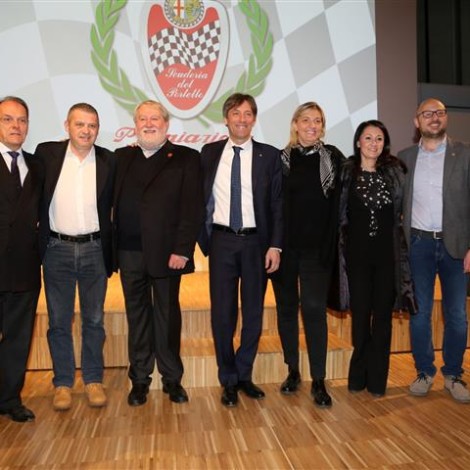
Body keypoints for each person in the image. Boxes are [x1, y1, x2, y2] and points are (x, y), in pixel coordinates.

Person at [113, 100, 203, 406]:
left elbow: (192, 207)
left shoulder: (186, 158)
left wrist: (182, 249)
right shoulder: (121, 157)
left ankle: (172, 379)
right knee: (137, 316)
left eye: (155, 119)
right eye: (142, 119)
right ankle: (139, 380)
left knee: (166, 316)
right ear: (135, 124)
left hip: (167, 254)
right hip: (128, 252)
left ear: (166, 125)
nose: (148, 123)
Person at [198, 93, 282, 407]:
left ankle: (244, 374)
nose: (242, 119)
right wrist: (203, 239)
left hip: (256, 243)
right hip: (221, 241)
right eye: (236, 113)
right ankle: (228, 378)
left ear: (254, 119)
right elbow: (197, 198)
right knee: (222, 314)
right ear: (226, 118)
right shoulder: (208, 153)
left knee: (253, 313)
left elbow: (277, 205)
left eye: (248, 114)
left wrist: (275, 244)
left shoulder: (270, 156)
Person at [36, 103, 115, 411]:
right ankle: (63, 383)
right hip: (57, 251)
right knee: (59, 321)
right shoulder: (47, 154)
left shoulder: (109, 159)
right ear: (67, 125)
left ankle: (94, 380)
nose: (86, 131)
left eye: (92, 125)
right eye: (80, 124)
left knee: (94, 320)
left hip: (95, 250)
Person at [271, 102, 344, 408]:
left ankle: (318, 379)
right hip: (285, 251)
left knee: (313, 310)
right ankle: (293, 371)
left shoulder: (334, 158)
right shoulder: (281, 160)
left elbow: (340, 205)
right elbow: (272, 204)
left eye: (318, 121)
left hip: (318, 252)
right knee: (287, 310)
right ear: (295, 124)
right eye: (306, 120)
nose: (312, 125)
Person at [398, 98, 470, 403]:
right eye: (427, 114)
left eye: (439, 112)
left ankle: (453, 374)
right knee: (420, 313)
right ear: (417, 122)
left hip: (456, 246)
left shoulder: (465, 154)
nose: (434, 118)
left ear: (445, 118)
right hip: (418, 245)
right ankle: (425, 371)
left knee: (456, 315)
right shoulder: (404, 158)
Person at [338, 120, 415, 397]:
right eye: (368, 138)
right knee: (360, 320)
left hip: (387, 259)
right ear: (358, 141)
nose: (373, 143)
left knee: (382, 320)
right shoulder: (346, 172)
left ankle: (378, 381)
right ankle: (358, 376)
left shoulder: (395, 173)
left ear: (385, 144)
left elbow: (404, 211)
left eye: (379, 139)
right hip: (356, 259)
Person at [0, 96, 43, 422]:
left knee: (18, 339)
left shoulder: (36, 165)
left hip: (25, 269)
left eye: (22, 120)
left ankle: (10, 398)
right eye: (8, 119)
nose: (16, 126)